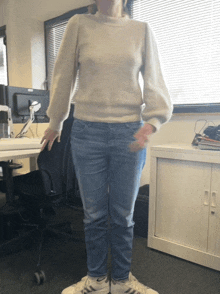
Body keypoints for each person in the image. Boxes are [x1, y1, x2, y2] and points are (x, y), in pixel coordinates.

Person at [41, 0, 173, 293]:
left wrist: (153, 119)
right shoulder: (79, 25)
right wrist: (56, 120)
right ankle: (97, 280)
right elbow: (64, 74)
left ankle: (123, 281)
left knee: (123, 215)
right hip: (87, 131)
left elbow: (155, 79)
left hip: (129, 132)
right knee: (95, 214)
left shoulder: (141, 30)